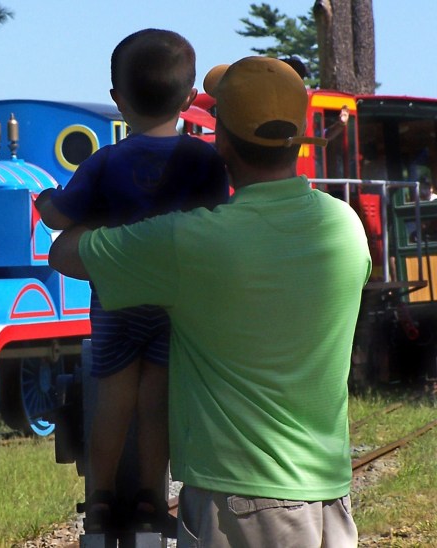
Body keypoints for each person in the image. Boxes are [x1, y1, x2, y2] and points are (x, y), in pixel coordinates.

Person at [49, 56, 371, 547]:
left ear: (221, 141)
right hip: (329, 496)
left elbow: (64, 253)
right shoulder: (345, 227)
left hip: (242, 505)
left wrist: (127, 207)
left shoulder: (193, 244)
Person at [35, 29, 229, 533]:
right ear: (189, 100)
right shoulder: (204, 160)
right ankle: (149, 497)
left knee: (113, 402)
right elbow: (218, 222)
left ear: (118, 100)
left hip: (116, 304)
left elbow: (61, 218)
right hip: (174, 307)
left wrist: (46, 202)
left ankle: (100, 497)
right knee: (155, 404)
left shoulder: (104, 161)